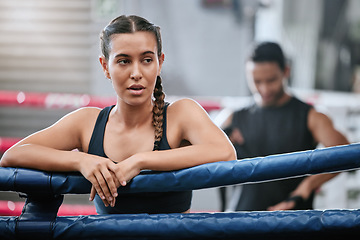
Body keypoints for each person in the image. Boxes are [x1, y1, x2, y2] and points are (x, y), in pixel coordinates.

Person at [0, 15, 236, 214]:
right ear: (105, 66)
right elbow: (13, 156)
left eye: (146, 60)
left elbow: (225, 153)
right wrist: (81, 160)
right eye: (123, 61)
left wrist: (140, 161)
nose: (136, 73)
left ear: (160, 63)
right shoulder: (87, 123)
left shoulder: (181, 114)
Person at [220, 42, 349, 211]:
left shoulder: (310, 116)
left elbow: (346, 153)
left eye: (271, 80)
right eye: (257, 81)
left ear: (286, 71)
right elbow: (196, 147)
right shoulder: (233, 117)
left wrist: (308, 185)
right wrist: (222, 139)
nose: (264, 88)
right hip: (242, 222)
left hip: (294, 222)